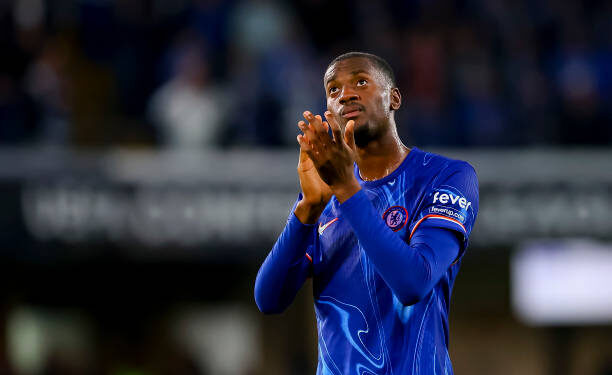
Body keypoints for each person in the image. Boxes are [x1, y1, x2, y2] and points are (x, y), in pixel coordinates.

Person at [254, 51, 479, 375]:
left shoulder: (445, 176)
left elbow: (413, 282)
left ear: (394, 98)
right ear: (328, 110)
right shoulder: (326, 195)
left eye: (361, 81)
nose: (345, 94)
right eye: (333, 90)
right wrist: (307, 207)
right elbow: (269, 299)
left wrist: (347, 189)